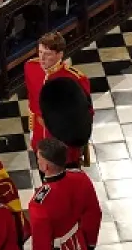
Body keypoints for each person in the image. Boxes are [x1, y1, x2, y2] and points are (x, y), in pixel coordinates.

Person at [24, 31, 92, 165]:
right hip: (39, 133)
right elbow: (31, 100)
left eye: (47, 54)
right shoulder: (30, 67)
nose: (42, 58)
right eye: (40, 52)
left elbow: (86, 113)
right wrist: (33, 130)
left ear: (59, 54)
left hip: (63, 139)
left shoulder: (75, 78)